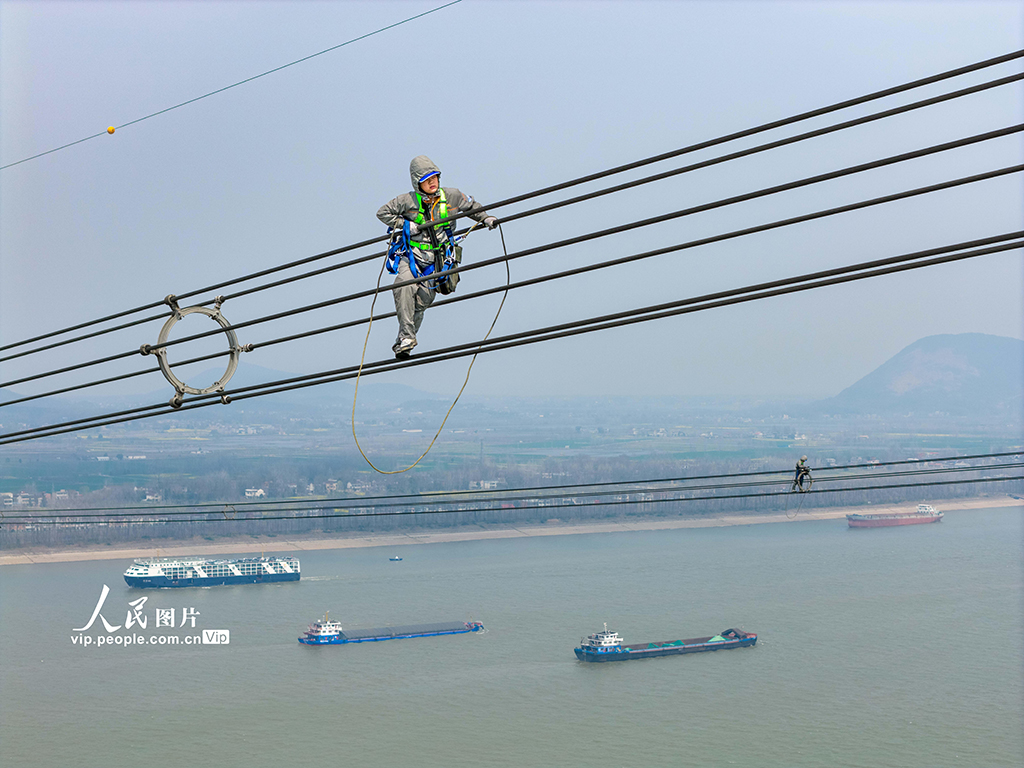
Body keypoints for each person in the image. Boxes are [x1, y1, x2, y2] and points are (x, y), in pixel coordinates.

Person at [376, 156, 496, 359]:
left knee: (421, 301)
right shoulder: (406, 200)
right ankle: (407, 338)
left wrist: (486, 218)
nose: (432, 182)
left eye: (435, 177)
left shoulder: (453, 196)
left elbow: (472, 206)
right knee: (403, 285)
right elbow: (383, 213)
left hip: (438, 259)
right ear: (417, 182)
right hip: (413, 257)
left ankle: (404, 340)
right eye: (426, 179)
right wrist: (404, 224)